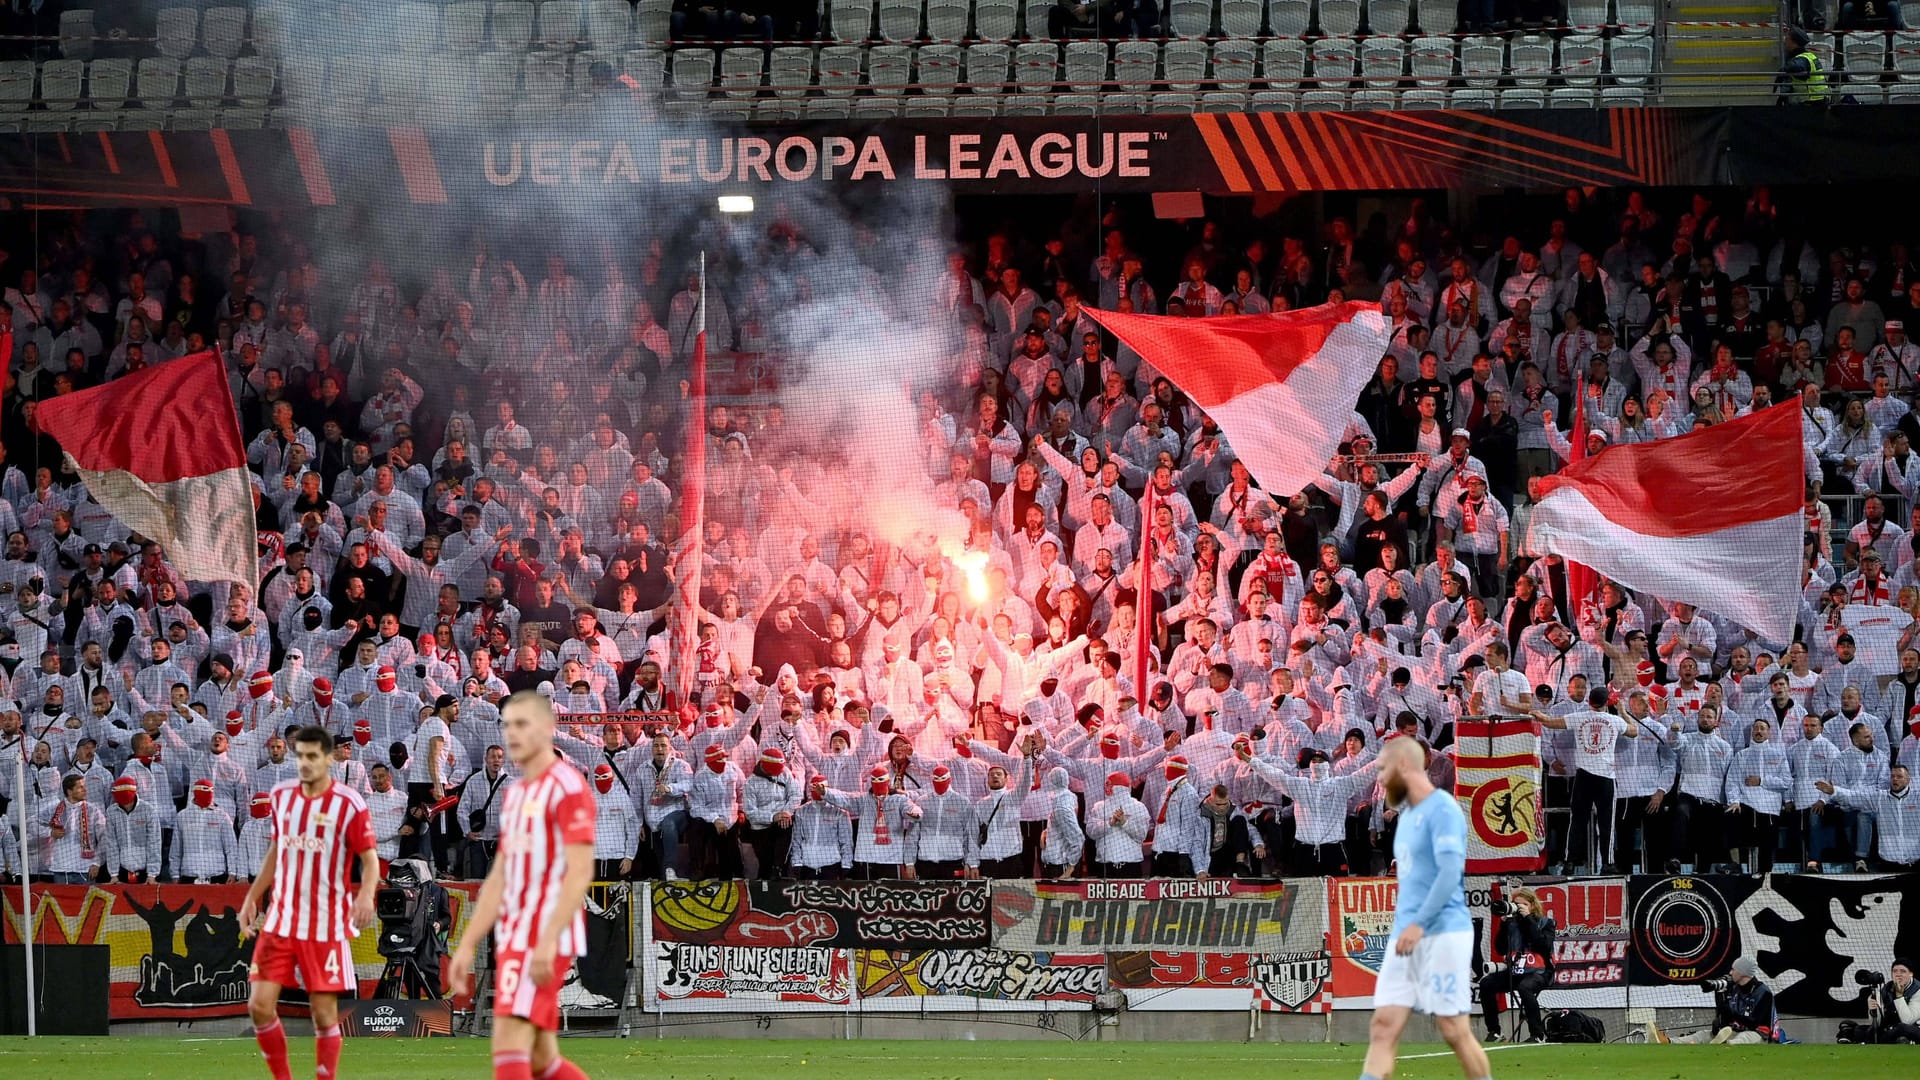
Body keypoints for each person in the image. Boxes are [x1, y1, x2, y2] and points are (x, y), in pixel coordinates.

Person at [449, 691, 597, 1080]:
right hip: (517, 931)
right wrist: (468, 941)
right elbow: (502, 873)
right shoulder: (516, 794)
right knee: (542, 1059)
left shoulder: (568, 786)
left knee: (509, 1040)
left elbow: (580, 871)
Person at [237, 727, 379, 1080]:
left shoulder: (349, 803)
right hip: (281, 919)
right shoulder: (282, 796)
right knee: (259, 1006)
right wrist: (252, 898)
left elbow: (371, 859)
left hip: (325, 923)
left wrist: (365, 895)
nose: (304, 762)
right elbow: (277, 850)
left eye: (312, 756)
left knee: (323, 1014)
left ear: (329, 759)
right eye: (300, 755)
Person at [1359, 736, 1492, 1080]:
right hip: (1405, 936)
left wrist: (1419, 923)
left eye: (1383, 769)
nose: (1380, 778)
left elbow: (1450, 873)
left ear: (1403, 766)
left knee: (1453, 1029)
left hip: (1443, 932)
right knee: (1383, 1025)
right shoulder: (1405, 819)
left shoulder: (1443, 808)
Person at [1480, 888, 1556, 1043]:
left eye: (1523, 904)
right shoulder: (1511, 924)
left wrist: (1528, 918)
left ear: (1533, 905)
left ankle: (1537, 1034)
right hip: (1515, 971)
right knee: (1486, 983)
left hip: (1540, 972)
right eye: (1516, 904)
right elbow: (1500, 949)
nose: (1519, 907)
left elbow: (1543, 945)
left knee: (1525, 987)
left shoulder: (1546, 923)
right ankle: (1494, 1032)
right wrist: (1503, 926)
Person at [1659, 956, 1778, 1044]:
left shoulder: (1763, 993)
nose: (1730, 972)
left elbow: (1754, 1023)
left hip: (1758, 1035)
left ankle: (1723, 1044)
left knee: (1742, 1039)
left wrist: (1732, 1013)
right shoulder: (1733, 988)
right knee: (1703, 1035)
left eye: (1734, 969)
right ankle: (1668, 1041)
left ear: (1743, 973)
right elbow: (1727, 1018)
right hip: (1734, 1030)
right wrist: (1720, 1021)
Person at [1867, 958, 1919, 1043]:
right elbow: (1876, 1024)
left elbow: (1908, 1021)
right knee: (1860, 1030)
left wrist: (1899, 996)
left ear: (1911, 974)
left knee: (1902, 1029)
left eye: (1903, 971)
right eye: (1895, 971)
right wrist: (1873, 1011)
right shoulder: (1885, 989)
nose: (1898, 974)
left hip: (1914, 1029)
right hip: (1891, 1028)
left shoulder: (1918, 990)